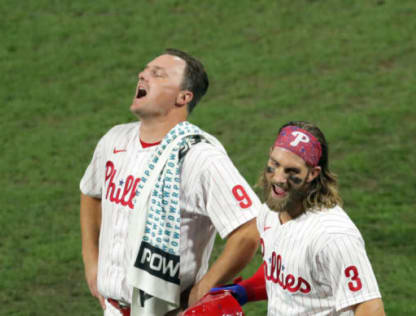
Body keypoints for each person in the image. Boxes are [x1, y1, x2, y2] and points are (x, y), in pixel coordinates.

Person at [79, 49, 262, 315]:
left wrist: (203, 289)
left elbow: (248, 230)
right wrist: (91, 261)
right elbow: (91, 192)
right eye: (145, 70)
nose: (143, 75)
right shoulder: (114, 141)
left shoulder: (200, 157)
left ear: (183, 97)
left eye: (158, 74)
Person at [209, 121, 385, 315]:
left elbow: (369, 307)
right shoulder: (270, 212)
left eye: (291, 171)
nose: (278, 179)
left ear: (312, 173)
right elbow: (285, 272)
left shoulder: (333, 236)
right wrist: (244, 291)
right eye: (275, 164)